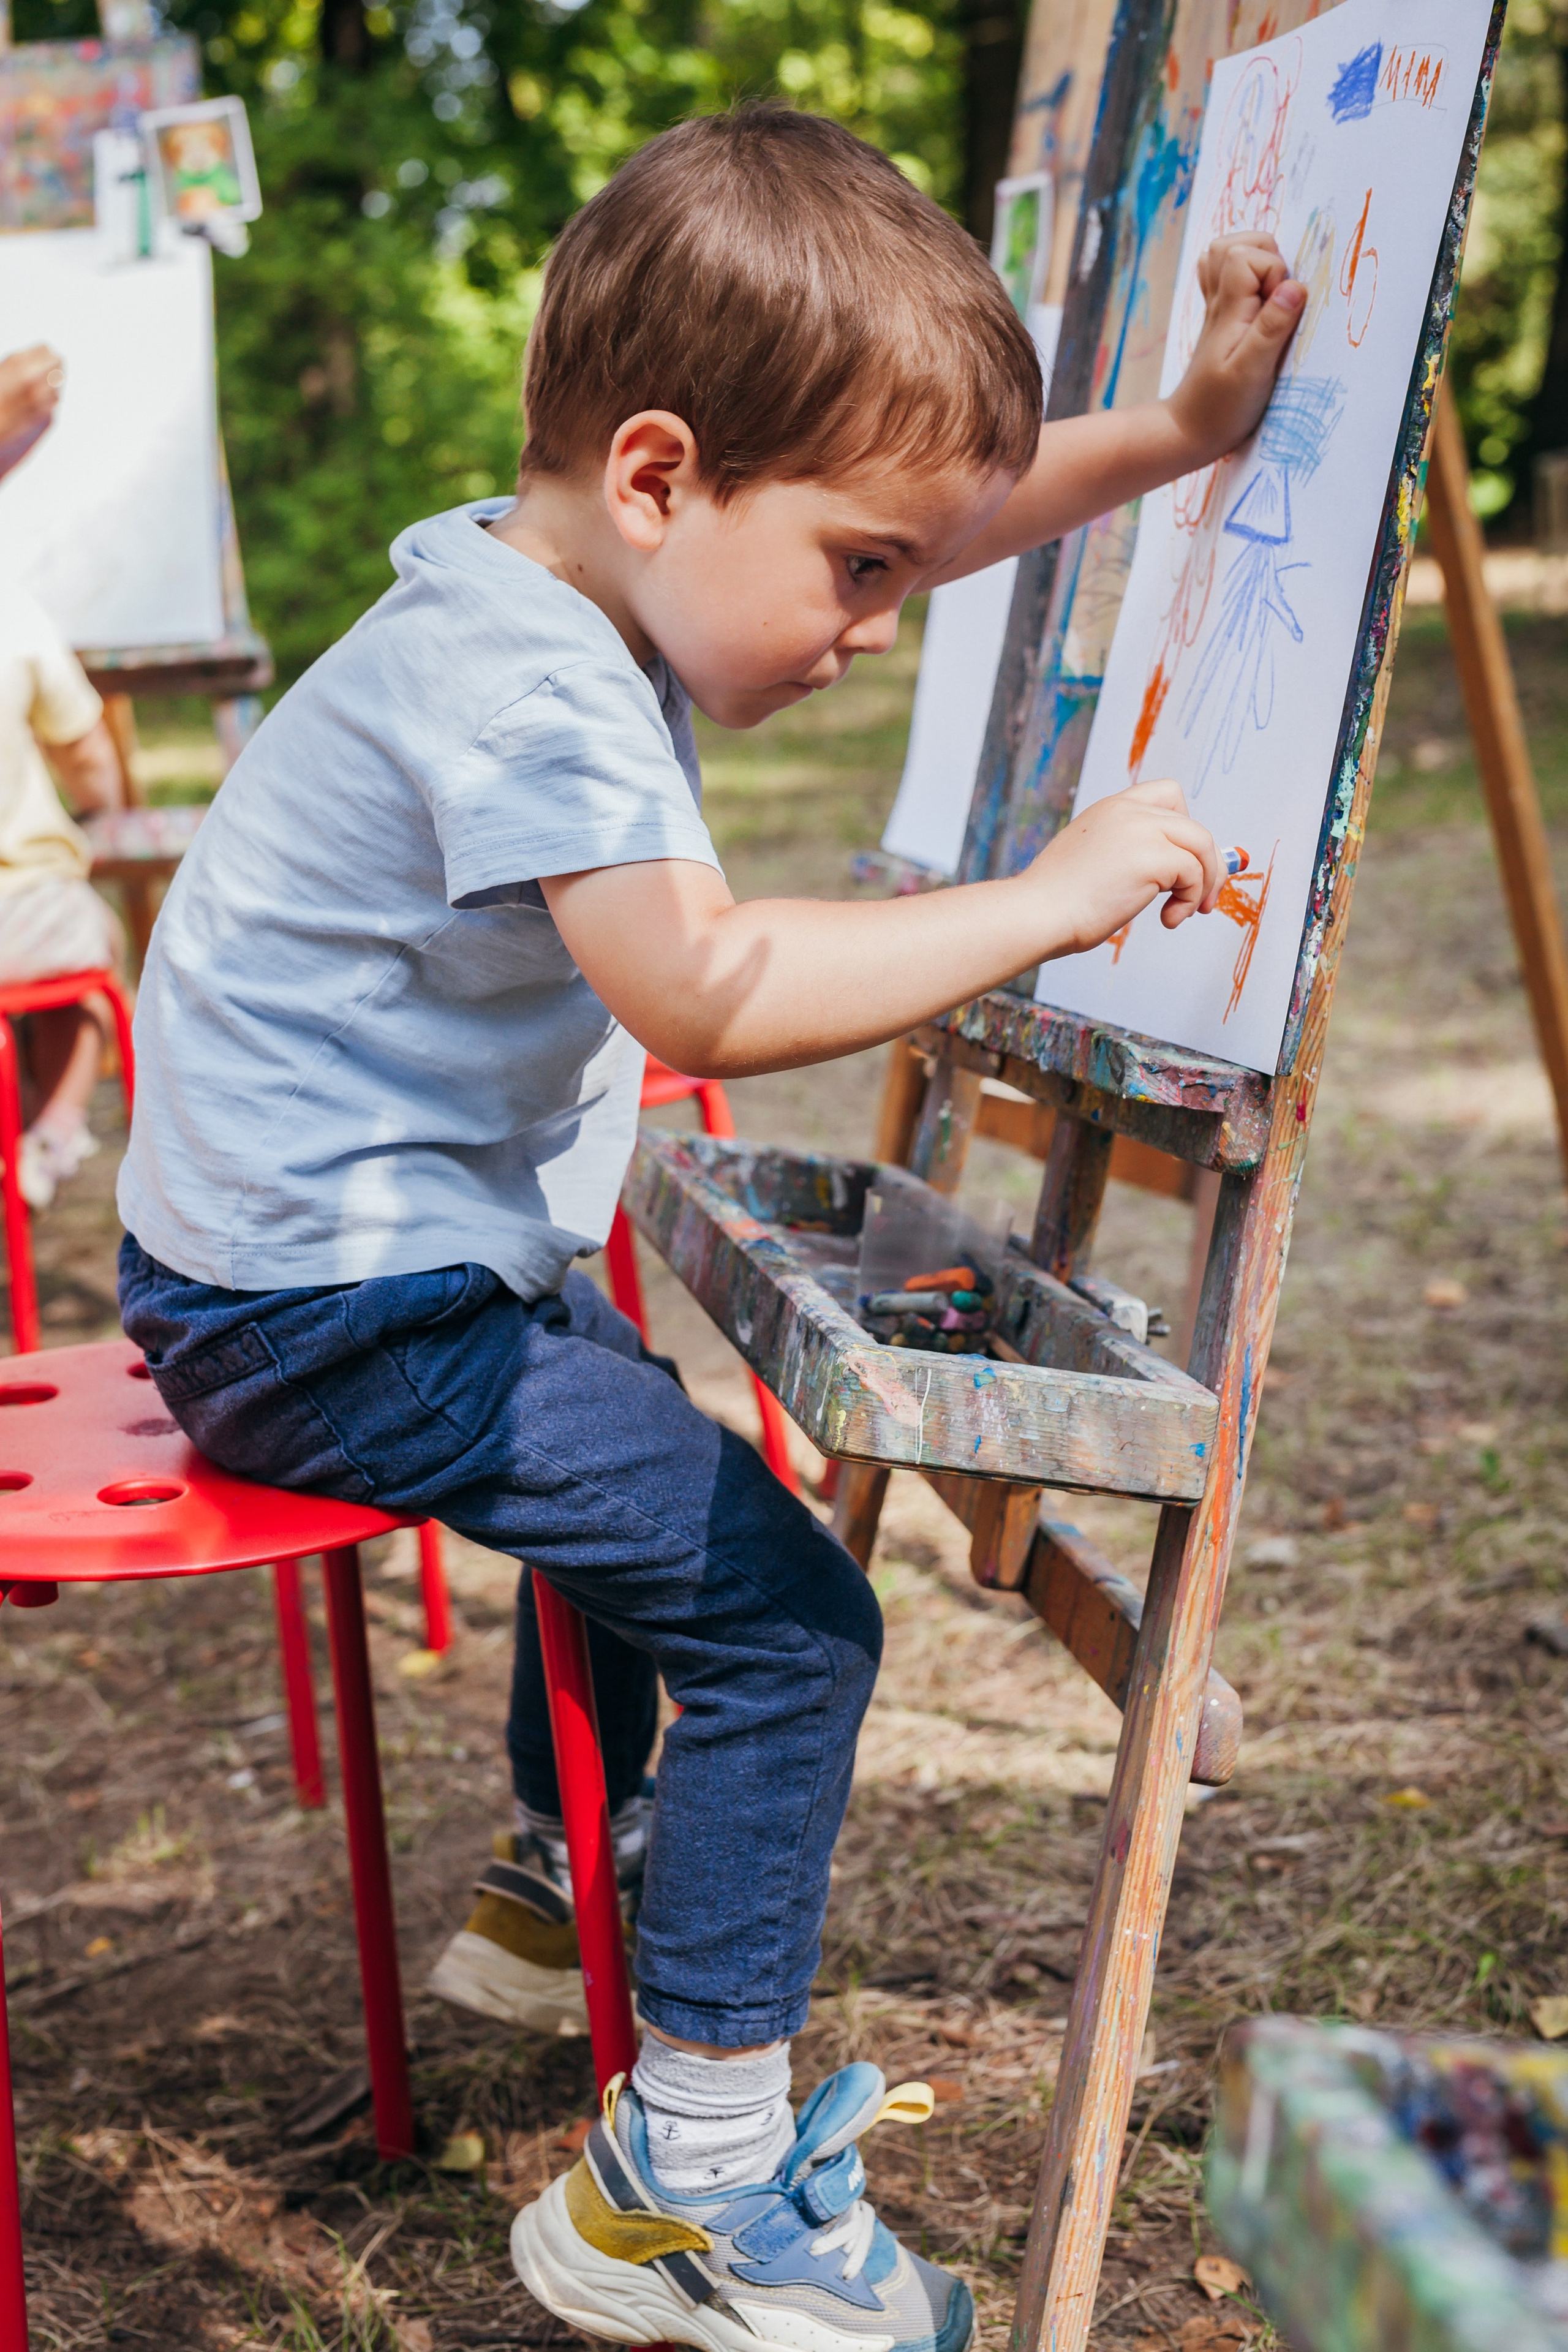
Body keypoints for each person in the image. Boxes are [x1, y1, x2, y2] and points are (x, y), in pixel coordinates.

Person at [116, 107, 1303, 2352]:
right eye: (855, 575)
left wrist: (1171, 431)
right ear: (658, 478)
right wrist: (1045, 900)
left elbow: (937, 519)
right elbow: (702, 986)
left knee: (638, 1460)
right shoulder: (537, 679)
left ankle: (568, 1882)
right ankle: (689, 2180)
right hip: (323, 1305)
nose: (875, 625)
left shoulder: (551, 569)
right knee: (788, 1619)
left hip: (329, 1258)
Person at [0, 582, 127, 1210]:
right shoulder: (13, 612)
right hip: (18, 907)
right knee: (90, 946)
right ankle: (51, 1135)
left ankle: (21, 1127)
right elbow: (84, 750)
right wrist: (98, 806)